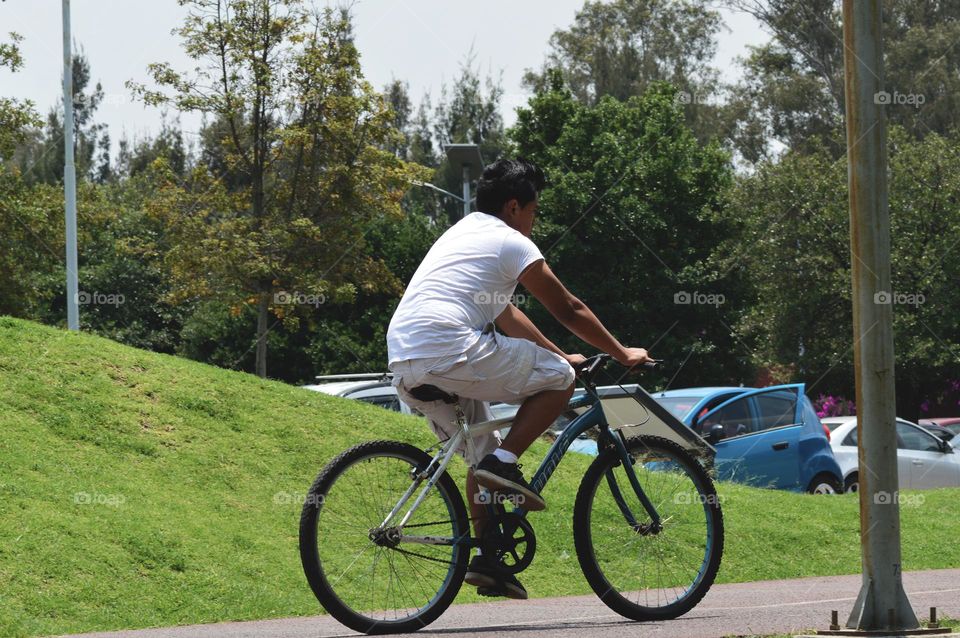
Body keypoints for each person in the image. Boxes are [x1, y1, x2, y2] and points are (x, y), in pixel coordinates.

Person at [387, 158, 651, 599]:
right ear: (513, 206)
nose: (535, 221)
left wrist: (556, 353)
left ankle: (489, 560)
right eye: (534, 211)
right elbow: (568, 307)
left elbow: (507, 315)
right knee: (558, 381)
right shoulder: (510, 242)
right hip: (451, 348)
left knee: (481, 455)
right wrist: (620, 353)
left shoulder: (462, 234)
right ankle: (504, 464)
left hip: (406, 358)